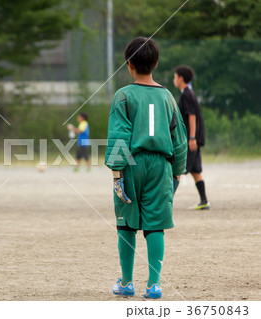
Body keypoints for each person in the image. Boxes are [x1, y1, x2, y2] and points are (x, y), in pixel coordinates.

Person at [105, 37, 188, 299]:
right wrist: (177, 171)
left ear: (129, 64)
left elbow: (119, 135)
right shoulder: (167, 96)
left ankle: (127, 282)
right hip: (161, 165)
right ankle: (153, 284)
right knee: (156, 224)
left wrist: (117, 175)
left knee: (126, 223)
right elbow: (179, 138)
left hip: (131, 164)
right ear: (156, 63)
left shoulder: (124, 95)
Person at [173, 65, 210, 210]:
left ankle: (164, 203)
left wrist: (192, 138)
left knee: (178, 169)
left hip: (190, 140)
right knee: (195, 170)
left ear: (181, 78)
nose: (174, 79)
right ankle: (204, 201)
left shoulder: (186, 94)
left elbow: (192, 117)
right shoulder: (189, 92)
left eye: (175, 77)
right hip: (193, 139)